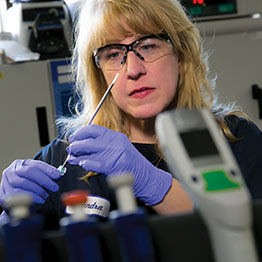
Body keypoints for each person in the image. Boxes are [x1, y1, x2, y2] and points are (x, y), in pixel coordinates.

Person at [1, 0, 262, 230]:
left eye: (148, 46)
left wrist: (153, 184)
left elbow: (247, 238)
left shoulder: (235, 140)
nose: (133, 70)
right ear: (99, 74)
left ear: (181, 55)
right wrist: (10, 219)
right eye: (113, 54)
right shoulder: (65, 159)